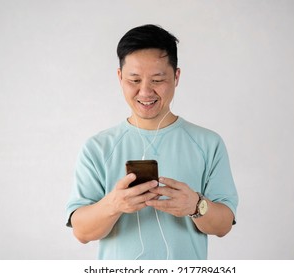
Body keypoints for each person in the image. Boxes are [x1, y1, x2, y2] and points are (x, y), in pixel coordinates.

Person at [66, 24, 238, 260]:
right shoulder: (97, 148)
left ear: (176, 77)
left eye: (158, 80)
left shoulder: (208, 143)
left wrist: (196, 206)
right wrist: (114, 205)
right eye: (134, 80)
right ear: (120, 78)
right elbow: (82, 232)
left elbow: (224, 225)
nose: (145, 92)